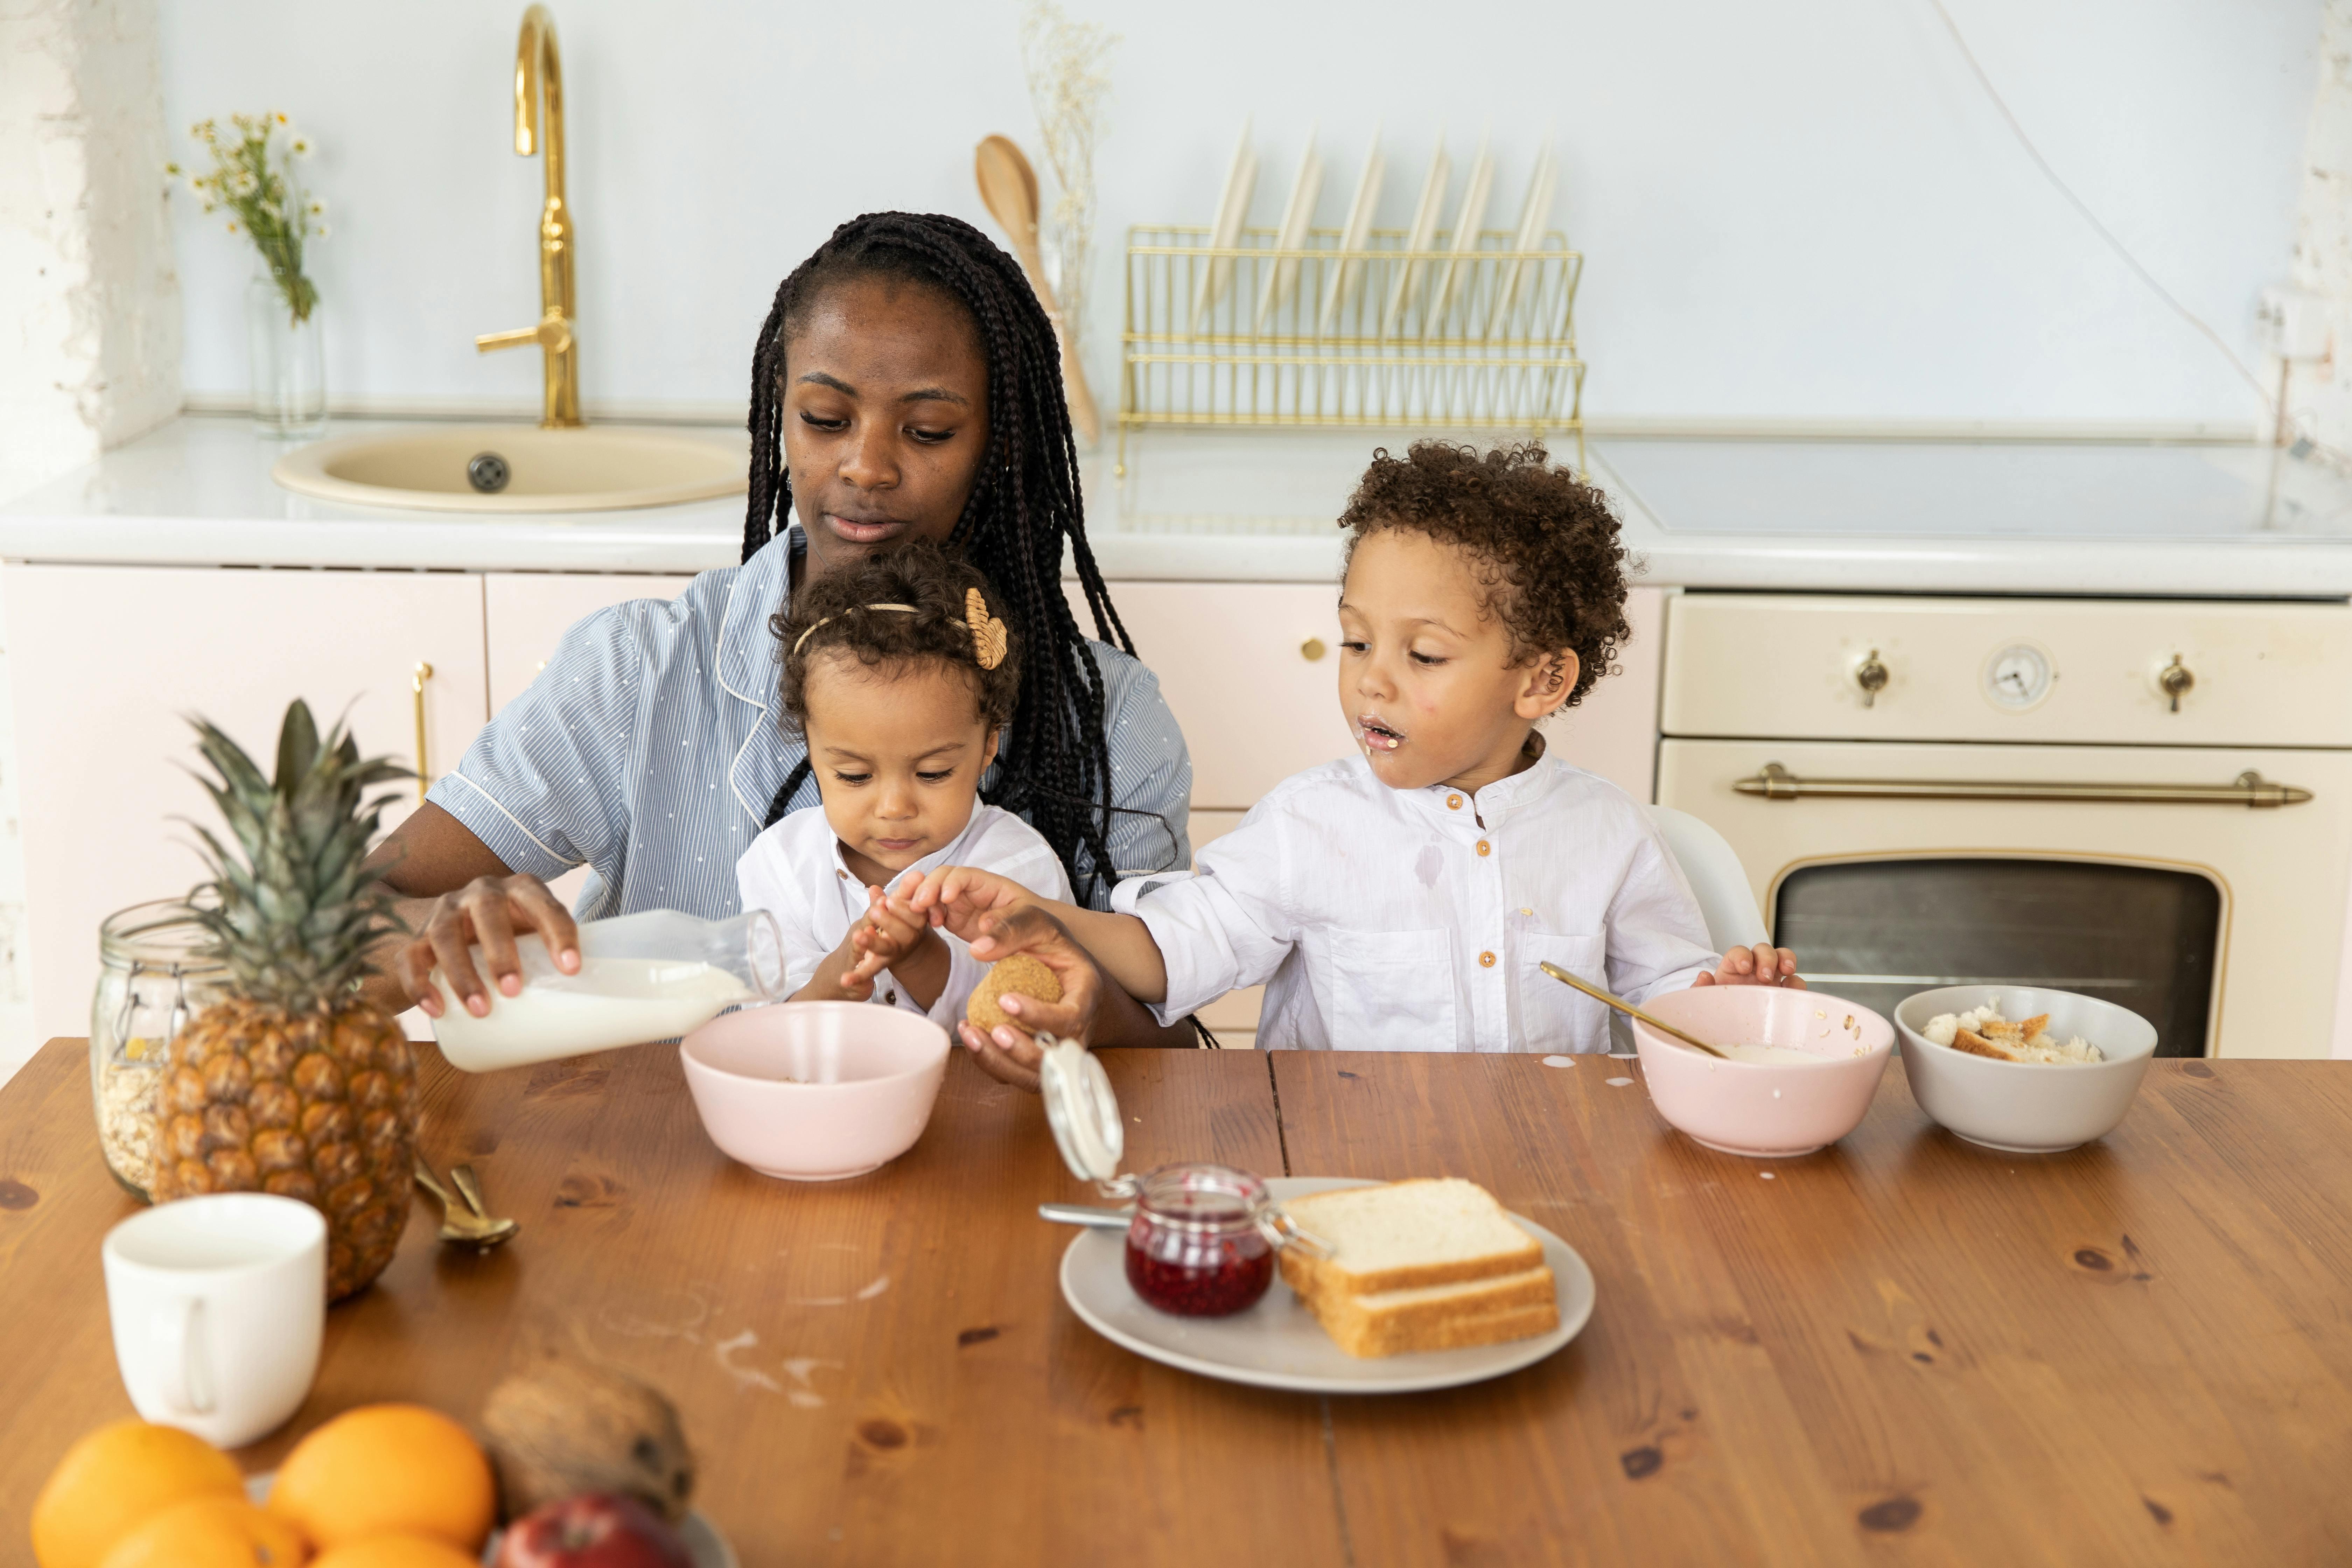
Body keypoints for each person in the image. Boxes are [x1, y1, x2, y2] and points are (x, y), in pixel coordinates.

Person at [368, 212, 1193, 1071]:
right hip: (656, 1169)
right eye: (826, 418)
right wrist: (435, 929)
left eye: (928, 431)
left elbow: (1172, 1049)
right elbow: (339, 922)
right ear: (780, 417)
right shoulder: (641, 671)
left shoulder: (1112, 720)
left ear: (999, 445)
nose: (867, 467)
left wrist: (1082, 1009)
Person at [911, 441, 1802, 1059]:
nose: (1373, 681)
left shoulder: (1610, 833)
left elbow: (1670, 1007)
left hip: (1549, 1168)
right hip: (1345, 1168)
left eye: (1422, 655)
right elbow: (1172, 947)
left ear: (1539, 681)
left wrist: (1727, 998)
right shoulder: (1312, 824)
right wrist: (1047, 917)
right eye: (1355, 642)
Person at [735, 542, 1078, 1029]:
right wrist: (838, 977)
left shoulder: (1018, 868)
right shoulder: (780, 865)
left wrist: (920, 957)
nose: (895, 808)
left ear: (987, 747)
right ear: (811, 752)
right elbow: (768, 1030)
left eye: (933, 772)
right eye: (854, 776)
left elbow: (1026, 1013)